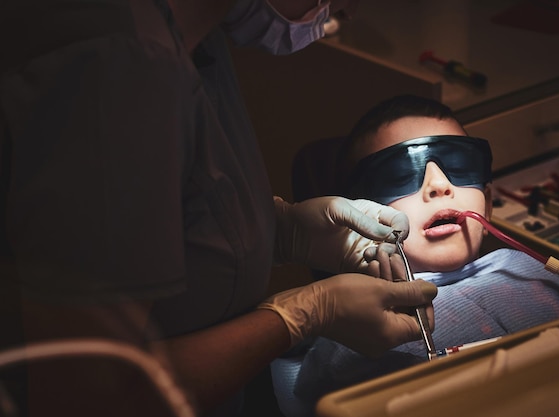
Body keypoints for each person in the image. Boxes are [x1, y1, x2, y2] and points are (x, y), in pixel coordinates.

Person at [0, 2, 438, 417]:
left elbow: (146, 209)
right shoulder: (116, 63)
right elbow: (84, 397)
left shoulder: (195, 32)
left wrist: (283, 231)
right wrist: (302, 315)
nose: (350, 9)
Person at [270, 94, 559, 417]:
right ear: (359, 216)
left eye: (459, 164)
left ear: (487, 201)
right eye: (399, 173)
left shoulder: (532, 272)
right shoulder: (358, 329)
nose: (439, 185)